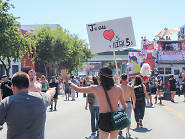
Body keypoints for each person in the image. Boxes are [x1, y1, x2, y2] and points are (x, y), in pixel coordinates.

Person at [61, 67, 127, 139]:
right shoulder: (118, 89)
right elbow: (124, 106)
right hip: (115, 117)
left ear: (101, 77)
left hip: (103, 118)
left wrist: (68, 81)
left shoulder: (96, 88)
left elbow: (78, 89)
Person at [0, 72, 56, 139]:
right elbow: (50, 94)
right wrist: (52, 89)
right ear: (28, 84)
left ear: (13, 87)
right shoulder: (41, 98)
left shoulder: (6, 102)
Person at [119, 74, 136, 138]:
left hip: (121, 103)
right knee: (128, 119)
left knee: (120, 118)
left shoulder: (119, 87)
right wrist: (134, 104)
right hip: (128, 103)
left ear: (121, 79)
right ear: (126, 79)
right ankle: (127, 132)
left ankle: (120, 130)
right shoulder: (130, 87)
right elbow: (133, 97)